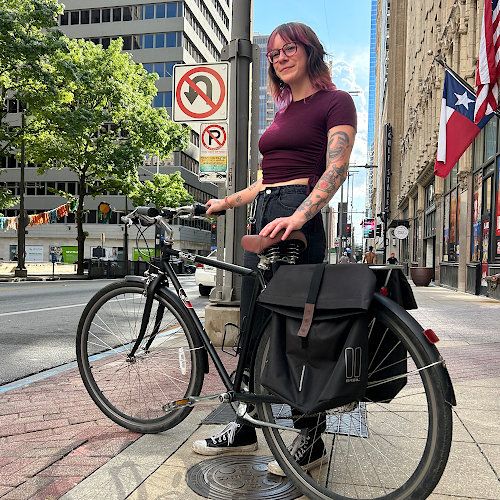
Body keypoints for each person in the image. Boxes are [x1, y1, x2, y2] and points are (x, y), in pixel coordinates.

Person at [191, 21, 356, 475]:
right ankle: (244, 426)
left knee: (295, 333)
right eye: (275, 53)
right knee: (253, 326)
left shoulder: (335, 101)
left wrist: (301, 216)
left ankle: (310, 437)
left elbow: (336, 168)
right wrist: (227, 201)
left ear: (310, 52)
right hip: (265, 213)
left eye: (290, 49)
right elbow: (268, 178)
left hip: (296, 218)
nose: (280, 57)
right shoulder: (282, 111)